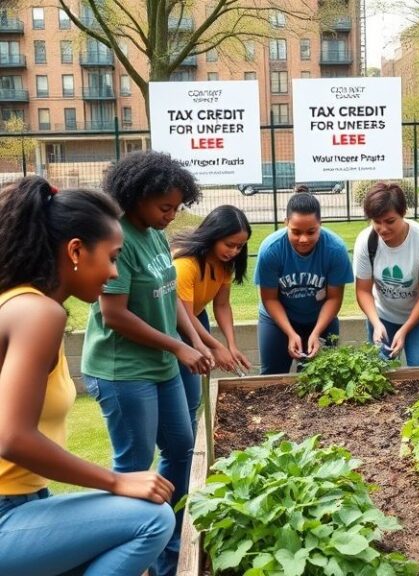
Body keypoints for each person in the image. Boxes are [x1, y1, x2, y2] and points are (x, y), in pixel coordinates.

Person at [0, 177, 175, 576]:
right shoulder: (37, 313)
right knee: (153, 519)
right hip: (6, 513)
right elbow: (12, 437)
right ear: (76, 250)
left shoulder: (18, 303)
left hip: (27, 500)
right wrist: (115, 481)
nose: (114, 273)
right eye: (112, 257)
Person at [81, 151, 212, 576]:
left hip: (161, 365)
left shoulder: (154, 234)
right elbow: (114, 314)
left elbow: (169, 295)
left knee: (181, 449)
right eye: (164, 207)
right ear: (136, 196)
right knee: (133, 469)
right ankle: (137, 556)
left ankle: (170, 543)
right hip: (122, 372)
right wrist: (178, 348)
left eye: (176, 207)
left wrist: (193, 339)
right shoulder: (117, 237)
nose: (171, 216)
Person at [171, 205, 253, 432]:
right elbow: (184, 316)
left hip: (197, 316)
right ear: (213, 235)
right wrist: (216, 347)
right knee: (185, 395)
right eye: (229, 244)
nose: (234, 251)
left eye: (240, 246)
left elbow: (222, 305)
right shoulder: (185, 264)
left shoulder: (225, 264)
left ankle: (189, 435)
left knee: (194, 395)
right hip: (176, 325)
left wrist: (231, 346)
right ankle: (184, 439)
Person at [255, 192, 354, 374]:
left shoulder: (335, 249)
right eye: (296, 232)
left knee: (321, 376)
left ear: (320, 224)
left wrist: (316, 333)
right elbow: (269, 298)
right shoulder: (271, 250)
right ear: (286, 223)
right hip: (277, 318)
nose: (303, 239)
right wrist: (290, 333)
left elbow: (334, 298)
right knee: (272, 376)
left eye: (311, 232)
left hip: (320, 318)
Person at [353, 182, 419, 365]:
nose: (383, 228)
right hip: (382, 316)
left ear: (403, 213)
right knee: (379, 371)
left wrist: (404, 330)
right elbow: (363, 290)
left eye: (390, 221)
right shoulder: (366, 241)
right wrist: (376, 323)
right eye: (377, 222)